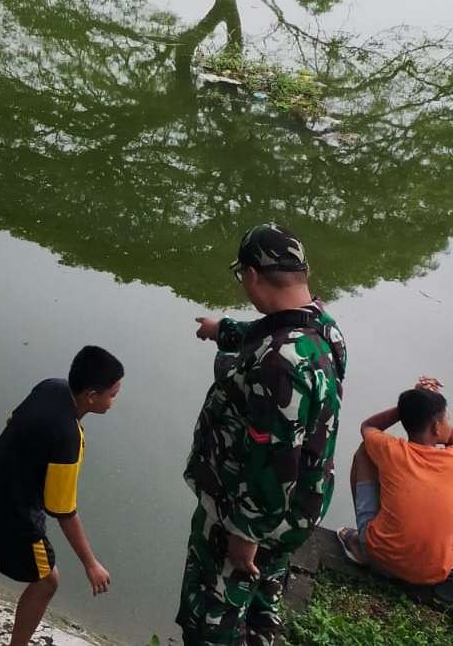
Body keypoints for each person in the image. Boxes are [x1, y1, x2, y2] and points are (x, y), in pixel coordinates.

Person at [180, 223, 347, 646]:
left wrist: (244, 536)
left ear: (251, 275)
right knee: (261, 609)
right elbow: (277, 328)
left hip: (247, 517)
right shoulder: (327, 329)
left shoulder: (278, 366)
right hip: (294, 513)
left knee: (213, 618)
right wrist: (224, 330)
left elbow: (277, 462)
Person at [0, 345, 123, 646]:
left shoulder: (51, 387)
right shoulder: (68, 438)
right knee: (47, 581)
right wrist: (91, 564)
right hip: (15, 508)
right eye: (112, 394)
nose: (114, 401)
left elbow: (13, 422)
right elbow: (64, 511)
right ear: (91, 395)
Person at [337, 377, 453, 585]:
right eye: (446, 419)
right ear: (436, 428)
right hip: (435, 573)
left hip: (382, 561)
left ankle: (363, 548)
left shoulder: (391, 449)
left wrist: (410, 407)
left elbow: (368, 426)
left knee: (365, 452)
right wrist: (422, 403)